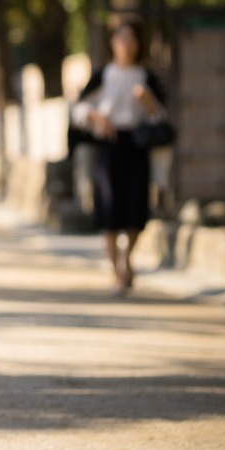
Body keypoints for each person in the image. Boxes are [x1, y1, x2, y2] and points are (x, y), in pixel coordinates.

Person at [71, 20, 168, 296]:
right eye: (121, 37)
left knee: (136, 208)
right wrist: (96, 117)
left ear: (139, 43)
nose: (126, 43)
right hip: (109, 146)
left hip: (137, 145)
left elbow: (161, 118)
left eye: (132, 38)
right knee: (109, 208)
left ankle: (127, 259)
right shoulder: (103, 74)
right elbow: (79, 108)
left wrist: (148, 102)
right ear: (112, 41)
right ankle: (117, 272)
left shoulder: (145, 76)